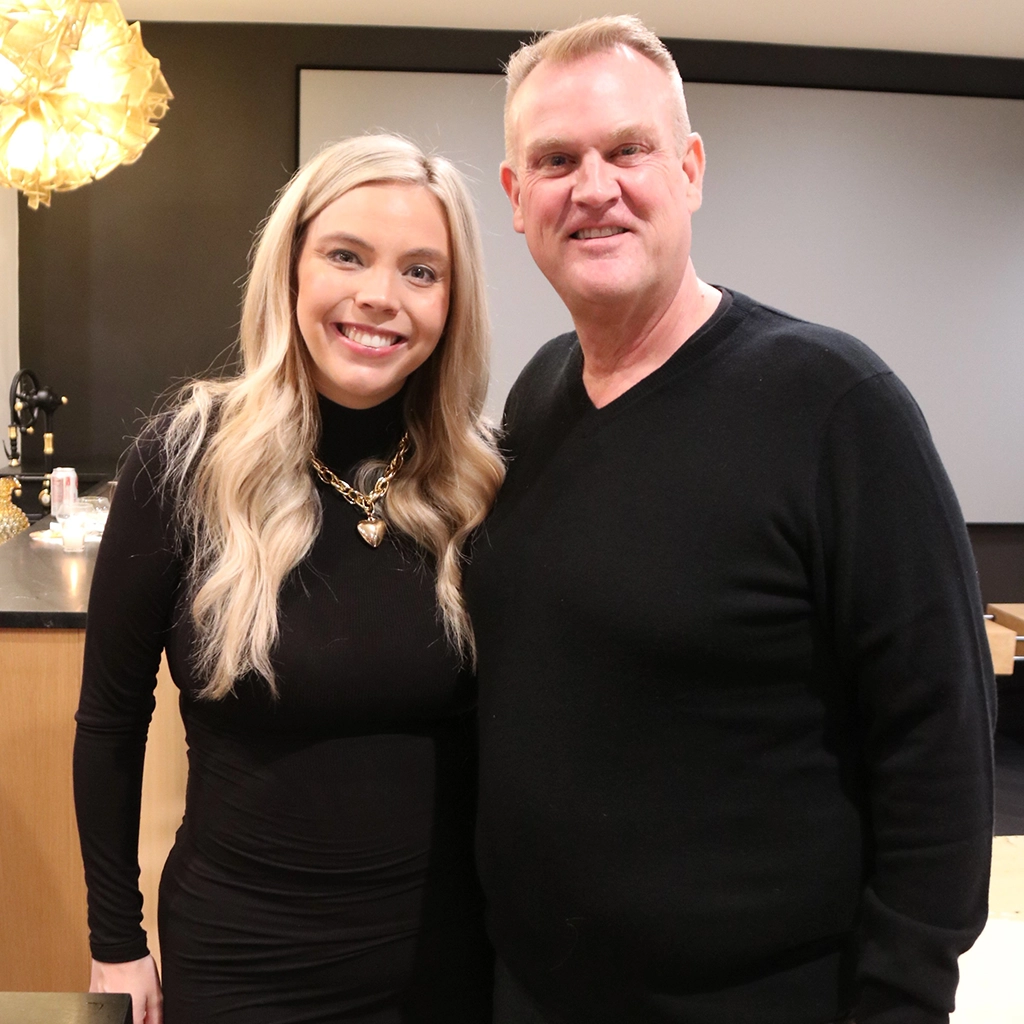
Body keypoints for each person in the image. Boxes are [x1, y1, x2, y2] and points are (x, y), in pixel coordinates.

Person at [464, 16, 995, 1024]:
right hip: (535, 989)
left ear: (690, 168)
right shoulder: (536, 394)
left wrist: (902, 999)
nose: (594, 186)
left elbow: (938, 737)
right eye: (556, 160)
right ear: (515, 197)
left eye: (628, 149)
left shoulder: (837, 405)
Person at [74, 134, 504, 1024]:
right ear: (292, 270)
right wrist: (115, 941)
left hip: (447, 959)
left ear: (452, 303)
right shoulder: (188, 458)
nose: (379, 297)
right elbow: (111, 721)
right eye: (346, 255)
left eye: (422, 272)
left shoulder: (480, 483)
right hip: (242, 960)